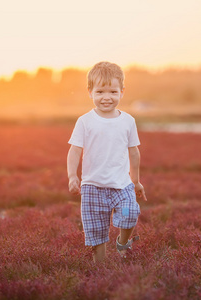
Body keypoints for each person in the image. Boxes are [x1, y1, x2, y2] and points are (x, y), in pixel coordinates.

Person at [67, 61, 147, 262]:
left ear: (122, 92)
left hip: (123, 186)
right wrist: (72, 176)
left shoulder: (128, 121)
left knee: (130, 214)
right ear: (90, 92)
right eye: (100, 92)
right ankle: (100, 270)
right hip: (93, 188)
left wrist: (135, 181)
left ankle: (123, 242)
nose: (106, 97)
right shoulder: (85, 121)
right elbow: (74, 151)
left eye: (112, 92)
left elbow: (134, 153)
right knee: (96, 233)